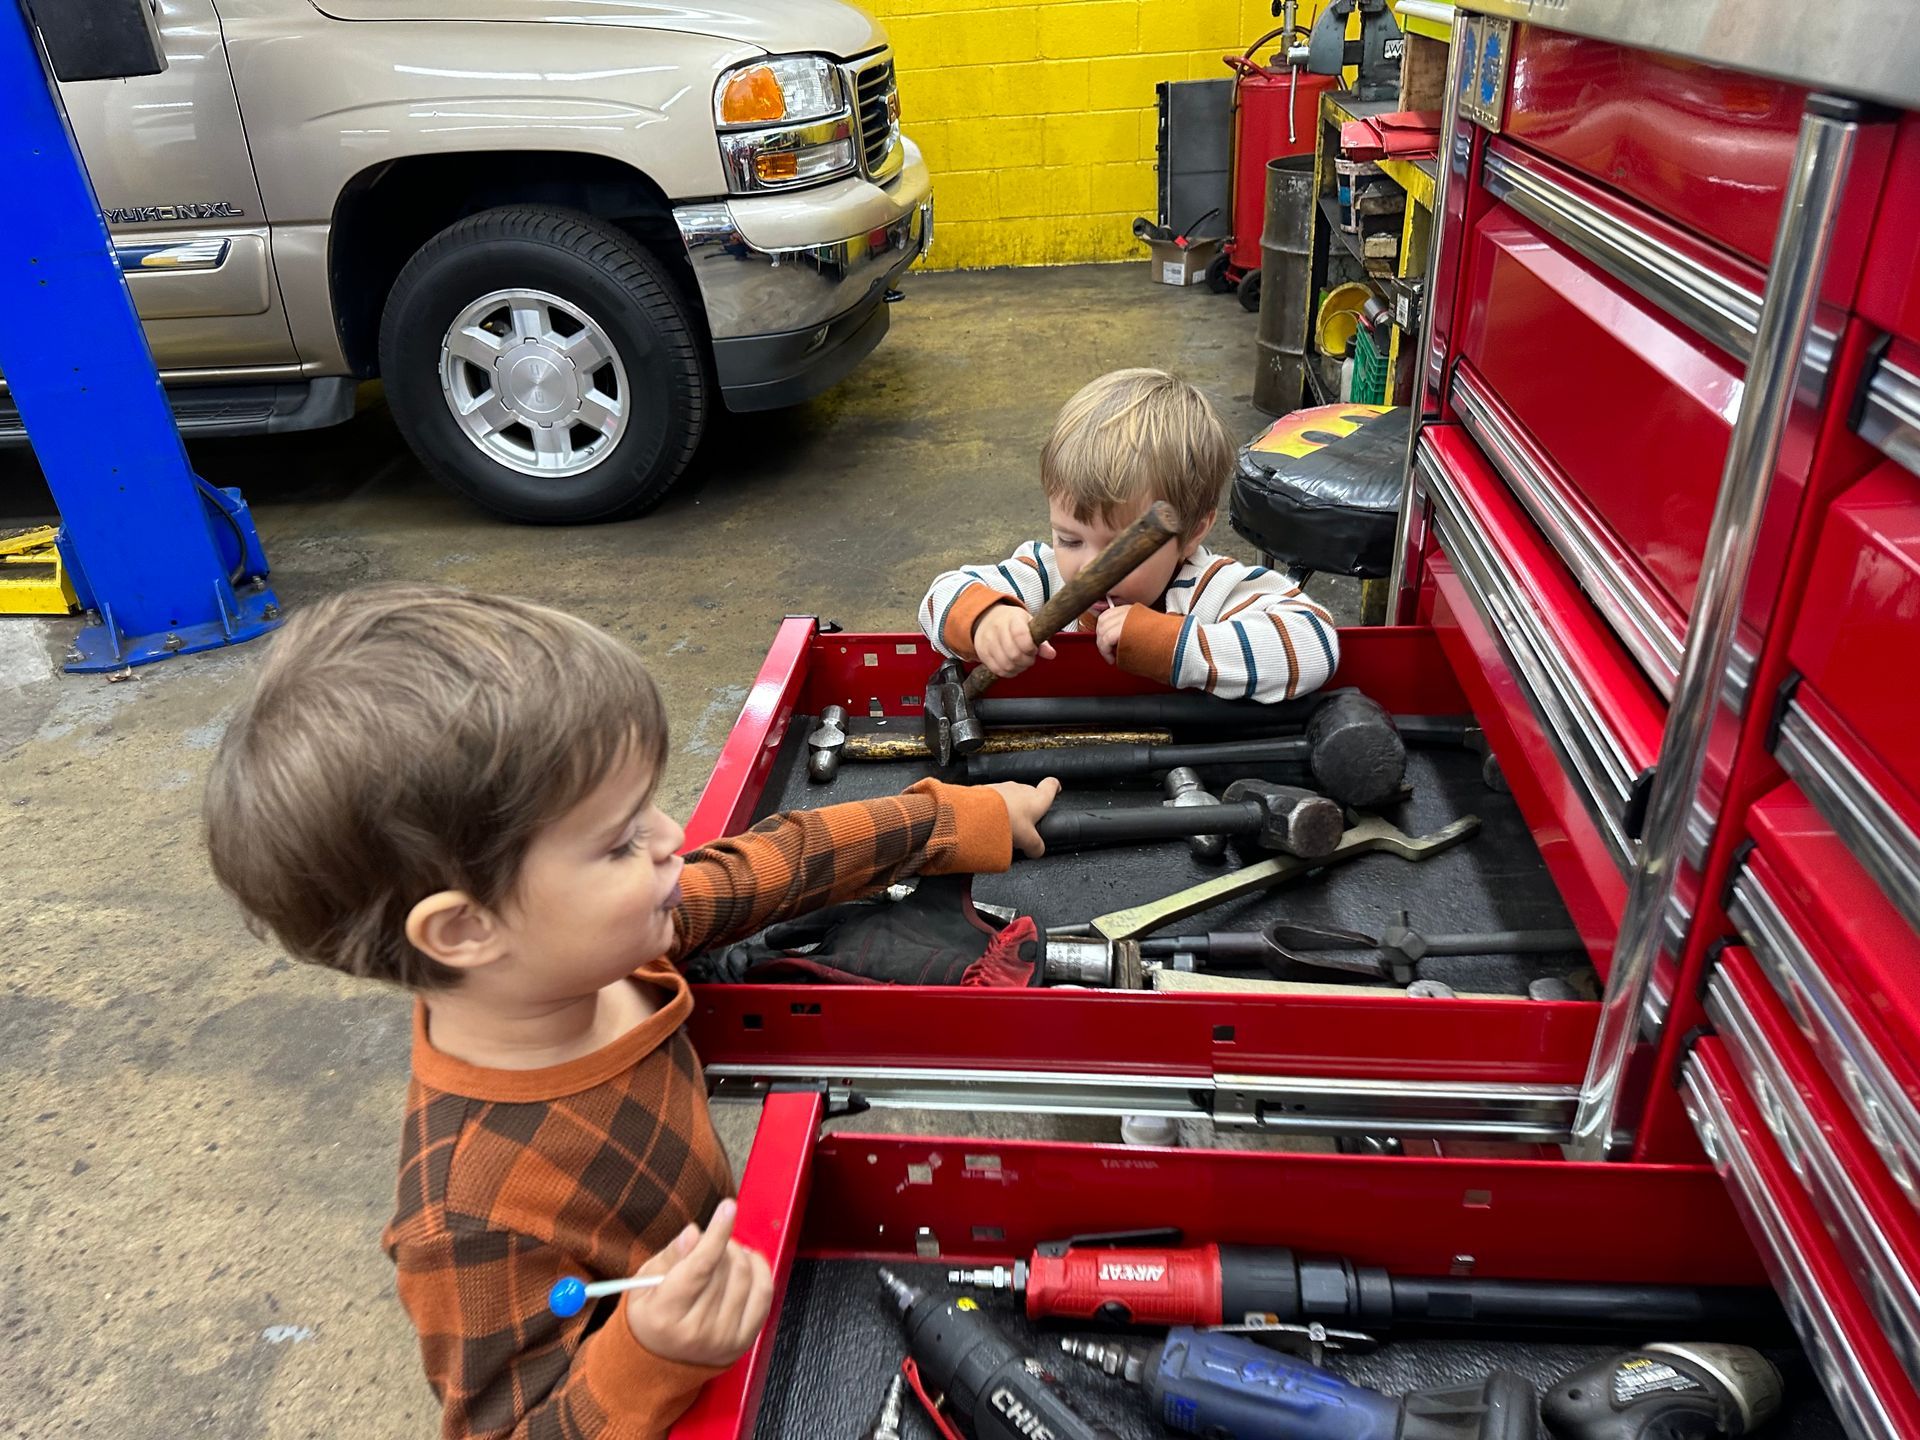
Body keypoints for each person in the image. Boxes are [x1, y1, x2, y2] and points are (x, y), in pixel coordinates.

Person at [203, 583, 1058, 1439]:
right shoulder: (468, 1216)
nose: (671, 835)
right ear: (465, 928)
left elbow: (776, 866)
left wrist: (957, 817)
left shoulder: (602, 956)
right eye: (618, 841)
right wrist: (651, 1354)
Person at [920, 368, 1339, 702]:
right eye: (1070, 539)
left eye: (1122, 550)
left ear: (1192, 532)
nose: (1087, 568)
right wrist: (985, 621)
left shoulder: (1211, 590)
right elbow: (938, 598)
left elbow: (1315, 642)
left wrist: (1173, 648)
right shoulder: (1044, 576)